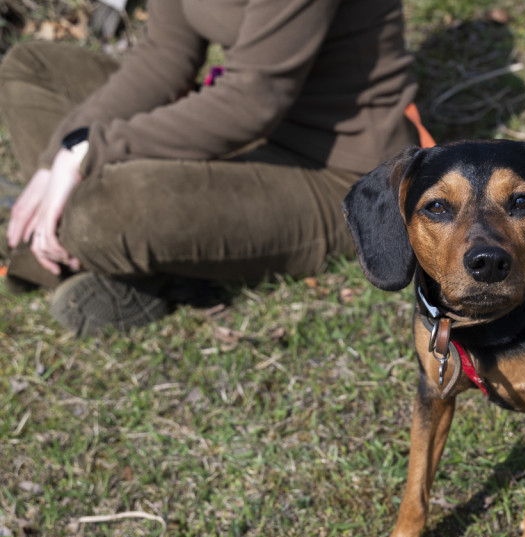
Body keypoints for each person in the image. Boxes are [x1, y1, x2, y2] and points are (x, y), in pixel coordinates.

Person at [0, 0, 421, 335]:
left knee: (103, 208)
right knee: (32, 70)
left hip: (336, 175)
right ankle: (69, 238)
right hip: (237, 136)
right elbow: (164, 59)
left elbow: (253, 101)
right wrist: (57, 159)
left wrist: (86, 153)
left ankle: (56, 244)